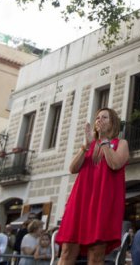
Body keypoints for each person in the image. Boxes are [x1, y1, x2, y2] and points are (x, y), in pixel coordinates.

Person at [55, 107, 130, 265]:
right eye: (97, 118)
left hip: (102, 204)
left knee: (96, 256)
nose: (99, 120)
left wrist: (104, 141)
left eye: (104, 118)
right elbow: (72, 168)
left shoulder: (121, 143)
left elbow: (115, 164)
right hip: (80, 202)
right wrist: (85, 146)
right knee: (67, 252)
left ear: (113, 123)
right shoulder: (89, 145)